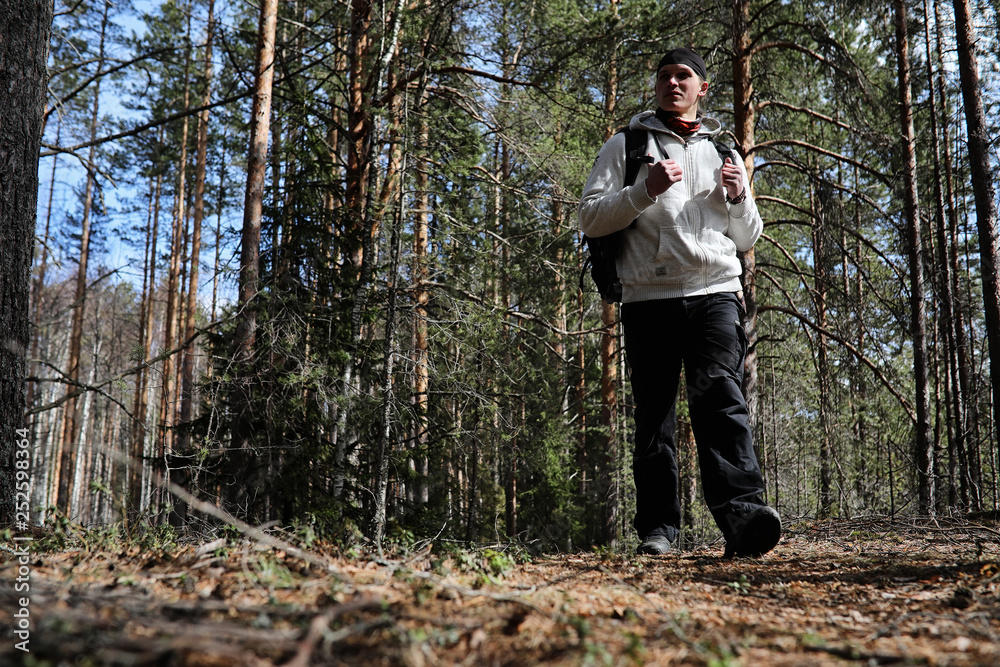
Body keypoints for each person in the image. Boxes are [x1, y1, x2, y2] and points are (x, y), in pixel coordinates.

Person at [578, 47, 780, 557]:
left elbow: (748, 235)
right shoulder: (628, 144)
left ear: (702, 89)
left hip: (715, 293)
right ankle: (659, 530)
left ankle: (743, 519)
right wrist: (643, 190)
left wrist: (737, 197)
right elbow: (590, 218)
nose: (673, 83)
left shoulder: (723, 150)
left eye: (683, 76)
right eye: (665, 75)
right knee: (654, 416)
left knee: (720, 399)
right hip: (649, 298)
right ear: (657, 85)